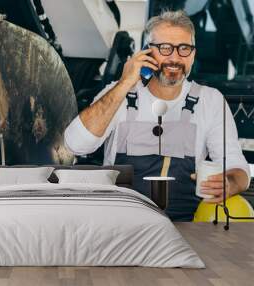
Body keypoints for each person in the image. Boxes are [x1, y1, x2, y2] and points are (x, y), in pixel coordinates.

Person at [64, 10, 250, 221]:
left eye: (184, 48)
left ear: (193, 54)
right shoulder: (119, 93)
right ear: (147, 52)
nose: (175, 58)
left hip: (184, 228)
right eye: (164, 48)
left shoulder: (210, 101)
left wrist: (230, 183)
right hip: (118, 223)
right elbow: (75, 145)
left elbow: (237, 167)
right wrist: (125, 83)